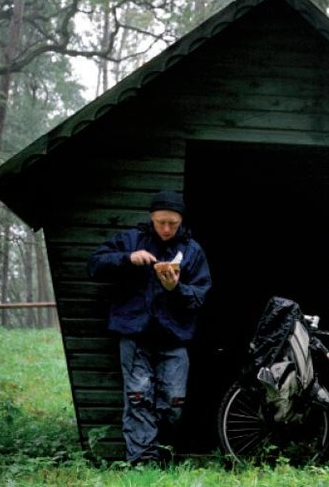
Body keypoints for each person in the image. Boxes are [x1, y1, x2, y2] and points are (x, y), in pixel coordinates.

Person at [87, 190, 212, 466]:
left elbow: (201, 295)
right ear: (151, 218)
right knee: (138, 398)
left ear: (181, 221)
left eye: (173, 223)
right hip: (134, 335)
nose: (166, 229)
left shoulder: (192, 251)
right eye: (160, 222)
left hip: (174, 337)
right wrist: (128, 258)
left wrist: (175, 289)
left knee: (174, 402)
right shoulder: (131, 240)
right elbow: (94, 264)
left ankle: (164, 458)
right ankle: (143, 465)